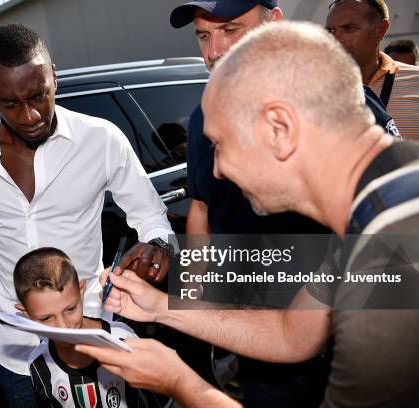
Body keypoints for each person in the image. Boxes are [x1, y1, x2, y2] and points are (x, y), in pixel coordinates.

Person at [77, 21, 419, 407]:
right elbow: (293, 334)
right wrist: (163, 306)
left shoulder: (392, 249)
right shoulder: (376, 213)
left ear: (279, 129)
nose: (218, 170)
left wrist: (180, 384)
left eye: (221, 145)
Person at [0, 24, 174, 407]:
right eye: (10, 104)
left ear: (55, 76)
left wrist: (157, 248)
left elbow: (152, 219)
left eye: (38, 96)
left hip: (92, 345)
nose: (29, 114)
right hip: (17, 352)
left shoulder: (101, 139)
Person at [13, 247, 171, 408]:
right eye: (46, 318)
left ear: (81, 293)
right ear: (27, 315)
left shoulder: (123, 340)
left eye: (70, 309)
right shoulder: (39, 364)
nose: (63, 326)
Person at [326, 0, 419, 140]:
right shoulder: (311, 86)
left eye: (348, 28)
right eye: (331, 30)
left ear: (380, 30)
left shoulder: (416, 82)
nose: (336, 39)